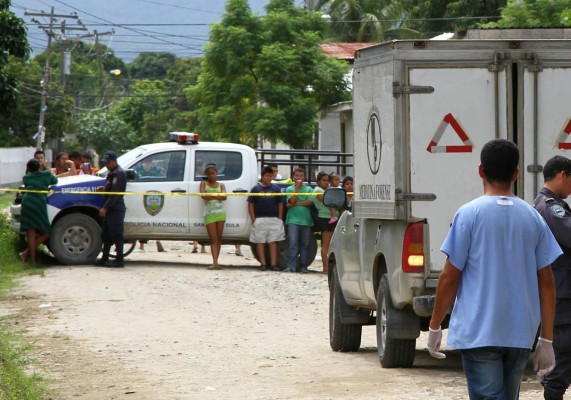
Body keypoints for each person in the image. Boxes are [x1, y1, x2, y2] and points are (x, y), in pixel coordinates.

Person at [427, 139, 559, 400]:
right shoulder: (533, 217)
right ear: (515, 174)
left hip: (479, 332)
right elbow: (546, 282)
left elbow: (449, 277)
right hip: (519, 333)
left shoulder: (468, 215)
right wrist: (546, 339)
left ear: (481, 170)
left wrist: (434, 326)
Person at [533, 155, 571, 400]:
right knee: (563, 354)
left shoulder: (552, 204)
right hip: (561, 293)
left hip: (563, 292)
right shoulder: (550, 206)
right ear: (562, 175)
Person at [19, 159, 58, 264]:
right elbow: (55, 180)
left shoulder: (26, 178)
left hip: (27, 202)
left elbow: (28, 177)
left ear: (28, 168)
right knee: (46, 232)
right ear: (39, 167)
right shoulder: (46, 175)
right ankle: (26, 254)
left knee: (31, 232)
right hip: (39, 203)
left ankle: (31, 260)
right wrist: (45, 166)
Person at [248, 165, 285, 271]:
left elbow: (280, 203)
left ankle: (273, 264)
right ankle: (263, 263)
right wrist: (253, 219)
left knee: (273, 242)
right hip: (260, 219)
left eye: (270, 176)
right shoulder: (256, 189)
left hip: (274, 219)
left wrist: (280, 218)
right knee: (260, 242)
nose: (269, 178)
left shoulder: (276, 188)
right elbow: (251, 204)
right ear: (262, 176)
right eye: (267, 175)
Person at [95, 151, 127, 268]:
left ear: (114, 161)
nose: (106, 165)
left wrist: (105, 208)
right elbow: (111, 189)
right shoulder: (112, 172)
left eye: (108, 163)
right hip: (111, 207)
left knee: (117, 234)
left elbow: (115, 194)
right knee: (106, 235)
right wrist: (103, 189)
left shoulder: (118, 173)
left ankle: (119, 260)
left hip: (115, 208)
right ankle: (104, 258)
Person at [284, 167, 314, 273]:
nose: (299, 178)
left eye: (301, 176)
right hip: (293, 220)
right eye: (297, 176)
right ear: (293, 177)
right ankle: (291, 266)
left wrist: (294, 204)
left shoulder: (309, 189)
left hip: (306, 221)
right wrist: (296, 189)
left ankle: (303, 266)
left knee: (305, 244)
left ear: (304, 177)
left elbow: (309, 202)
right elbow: (291, 200)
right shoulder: (289, 189)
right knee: (293, 243)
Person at [200, 164, 227, 270]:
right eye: (209, 174)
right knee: (213, 239)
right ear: (207, 175)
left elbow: (224, 197)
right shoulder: (203, 184)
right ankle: (214, 262)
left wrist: (210, 195)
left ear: (216, 174)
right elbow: (203, 196)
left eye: (213, 173)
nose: (212, 176)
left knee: (219, 238)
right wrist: (217, 195)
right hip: (209, 214)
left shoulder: (221, 185)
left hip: (220, 213)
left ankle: (216, 261)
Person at [312, 171, 339, 274]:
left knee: (327, 244)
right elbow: (328, 201)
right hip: (326, 218)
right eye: (323, 180)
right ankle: (325, 268)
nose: (326, 183)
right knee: (326, 245)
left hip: (330, 218)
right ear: (318, 181)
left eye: (328, 181)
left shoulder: (325, 190)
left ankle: (327, 267)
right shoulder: (318, 190)